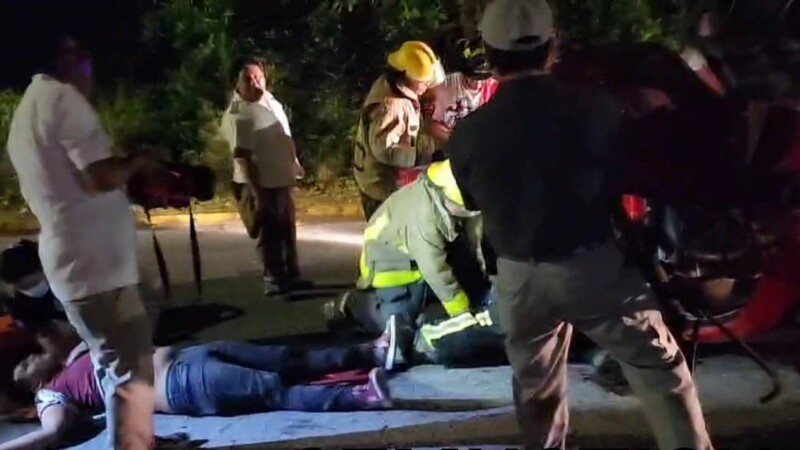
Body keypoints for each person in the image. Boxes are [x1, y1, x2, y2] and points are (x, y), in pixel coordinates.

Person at [447, 1, 714, 449]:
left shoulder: (469, 131)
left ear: (489, 55)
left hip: (517, 279)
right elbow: (634, 174)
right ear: (551, 47)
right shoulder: (596, 108)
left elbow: (473, 199)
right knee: (658, 371)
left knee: (536, 386)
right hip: (593, 268)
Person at [5, 35, 167, 450]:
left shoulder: (28, 110)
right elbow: (99, 176)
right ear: (67, 59)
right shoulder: (63, 99)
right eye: (84, 54)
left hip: (76, 263)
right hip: (96, 267)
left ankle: (136, 440)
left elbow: (71, 184)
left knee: (113, 365)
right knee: (130, 368)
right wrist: (139, 162)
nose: (91, 64)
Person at [1, 323, 399, 450]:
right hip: (180, 385)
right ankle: (360, 398)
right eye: (23, 363)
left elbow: (57, 330)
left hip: (191, 357)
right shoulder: (48, 395)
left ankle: (370, 353)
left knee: (287, 357)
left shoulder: (72, 355)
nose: (31, 356)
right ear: (28, 386)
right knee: (272, 389)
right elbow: (52, 432)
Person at [329, 160, 490, 336]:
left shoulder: (450, 196)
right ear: (453, 201)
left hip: (421, 263)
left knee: (468, 284)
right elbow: (434, 269)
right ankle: (352, 303)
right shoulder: (424, 217)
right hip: (390, 269)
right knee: (397, 328)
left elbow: (475, 245)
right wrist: (462, 314)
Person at [222, 58, 309, 295]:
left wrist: (294, 162)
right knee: (269, 233)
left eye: (258, 77)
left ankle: (292, 274)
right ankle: (274, 279)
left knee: (286, 230)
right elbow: (243, 157)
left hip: (280, 179)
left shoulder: (269, 101)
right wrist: (258, 193)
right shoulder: (240, 115)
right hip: (261, 184)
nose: (255, 83)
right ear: (237, 83)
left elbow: (282, 135)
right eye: (248, 79)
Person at [353, 41, 445, 220]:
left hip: (380, 181)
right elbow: (385, 150)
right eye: (424, 82)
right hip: (379, 186)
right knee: (388, 241)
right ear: (407, 77)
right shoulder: (392, 105)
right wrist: (427, 153)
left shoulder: (392, 85)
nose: (427, 86)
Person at [422, 38, 499, 149]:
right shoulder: (444, 86)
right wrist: (459, 142)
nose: (477, 84)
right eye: (473, 78)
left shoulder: (494, 88)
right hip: (448, 149)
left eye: (482, 79)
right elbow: (430, 126)